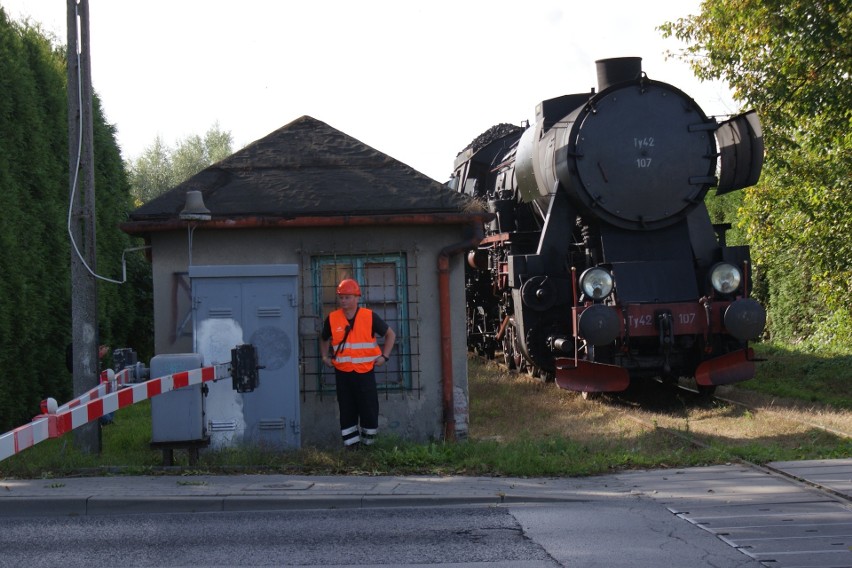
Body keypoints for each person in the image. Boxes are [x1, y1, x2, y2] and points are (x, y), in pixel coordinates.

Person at [320, 278, 395, 449]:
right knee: (347, 411)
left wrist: (385, 357)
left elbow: (391, 335)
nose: (344, 301)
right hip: (343, 373)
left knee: (369, 409)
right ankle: (352, 449)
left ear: (357, 298)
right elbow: (324, 338)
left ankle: (369, 447)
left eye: (347, 297)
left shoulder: (369, 317)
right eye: (341, 297)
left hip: (365, 372)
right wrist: (325, 357)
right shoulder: (332, 318)